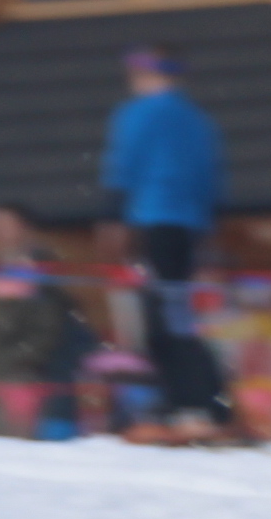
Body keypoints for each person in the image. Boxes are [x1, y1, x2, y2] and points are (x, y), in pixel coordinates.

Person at [99, 46, 233, 440]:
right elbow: (210, 178)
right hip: (188, 226)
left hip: (153, 220)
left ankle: (188, 403)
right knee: (179, 316)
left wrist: (112, 217)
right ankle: (206, 401)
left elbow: (124, 164)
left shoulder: (137, 113)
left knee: (159, 321)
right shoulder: (198, 120)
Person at [0, 203, 77, 439]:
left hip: (35, 370)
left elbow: (49, 323)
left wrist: (22, 359)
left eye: (3, 225)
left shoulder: (41, 267)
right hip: (3, 367)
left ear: (24, 227)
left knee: (21, 438)